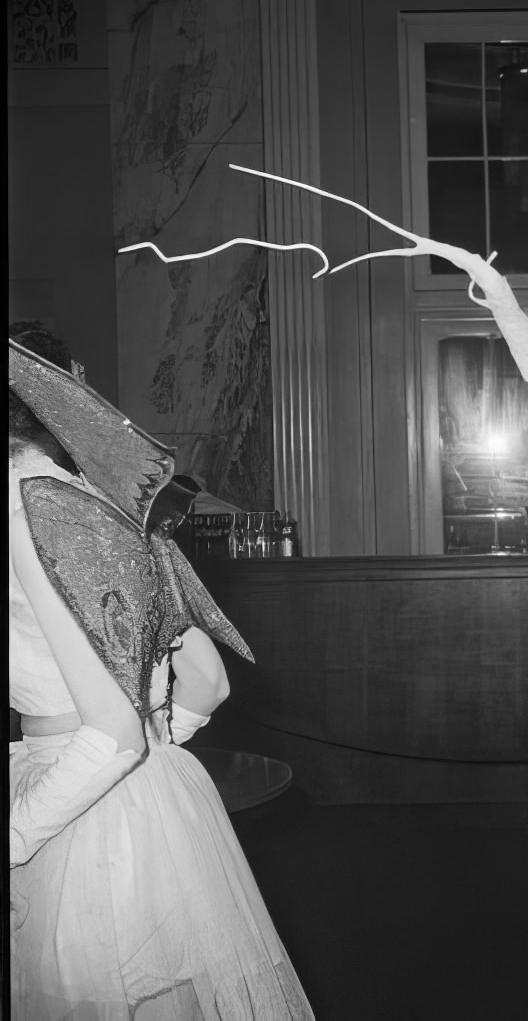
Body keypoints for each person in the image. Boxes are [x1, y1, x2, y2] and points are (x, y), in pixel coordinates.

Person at [9, 331, 314, 1020]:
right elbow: (206, 676)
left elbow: (111, 734)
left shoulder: (23, 512)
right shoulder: (106, 496)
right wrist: (158, 735)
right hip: (156, 807)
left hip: (84, 815)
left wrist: (17, 836)